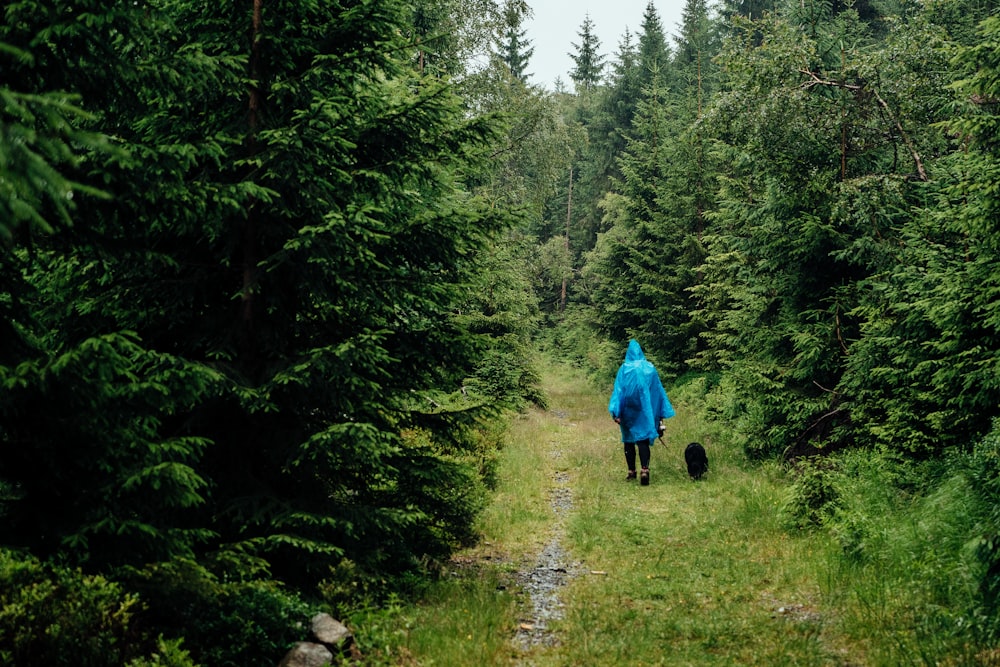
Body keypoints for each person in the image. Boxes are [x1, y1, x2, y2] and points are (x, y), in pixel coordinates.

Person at [608, 339, 675, 486]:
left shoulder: (625, 369)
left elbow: (619, 391)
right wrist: (661, 413)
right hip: (646, 412)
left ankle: (631, 471)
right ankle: (645, 469)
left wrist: (616, 412)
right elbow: (658, 391)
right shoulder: (650, 368)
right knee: (642, 439)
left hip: (628, 411)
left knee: (628, 440)